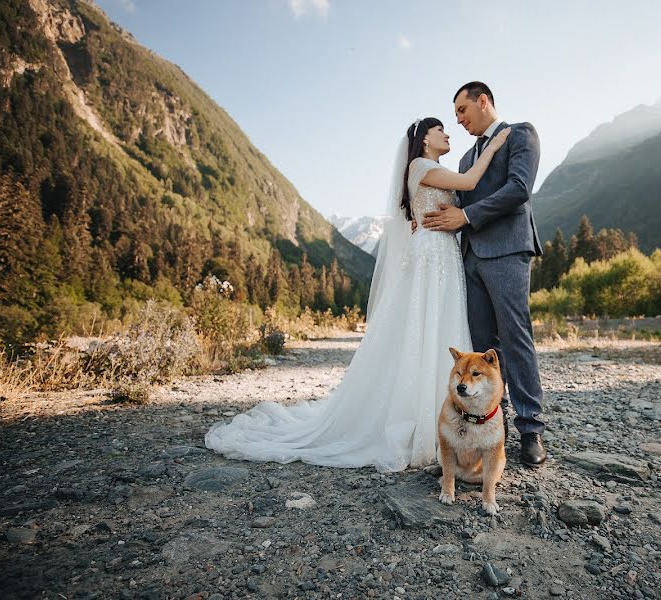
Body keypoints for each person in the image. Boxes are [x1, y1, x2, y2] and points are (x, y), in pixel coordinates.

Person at [204, 117, 510, 473]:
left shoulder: (432, 169)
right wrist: (495, 144)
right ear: (424, 140)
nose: (447, 133)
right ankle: (423, 425)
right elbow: (471, 181)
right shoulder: (421, 165)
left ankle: (446, 424)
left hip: (442, 253)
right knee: (424, 326)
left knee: (437, 326)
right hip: (431, 257)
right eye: (440, 129)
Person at [422, 82, 547, 466]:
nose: (458, 120)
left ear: (483, 101)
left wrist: (467, 216)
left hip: (508, 249)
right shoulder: (464, 161)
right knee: (482, 346)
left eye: (462, 110)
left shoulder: (520, 134)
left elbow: (519, 189)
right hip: (470, 258)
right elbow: (453, 200)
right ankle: (497, 425)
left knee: (514, 336)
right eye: (455, 114)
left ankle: (531, 429)